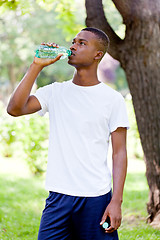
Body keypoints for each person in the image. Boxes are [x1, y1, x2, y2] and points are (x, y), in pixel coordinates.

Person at [7, 27, 129, 240]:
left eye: (82, 43)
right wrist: (36, 66)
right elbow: (15, 109)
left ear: (97, 55)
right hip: (58, 198)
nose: (73, 46)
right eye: (73, 41)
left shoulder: (113, 99)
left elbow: (119, 153)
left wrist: (116, 201)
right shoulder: (54, 92)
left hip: (96, 199)